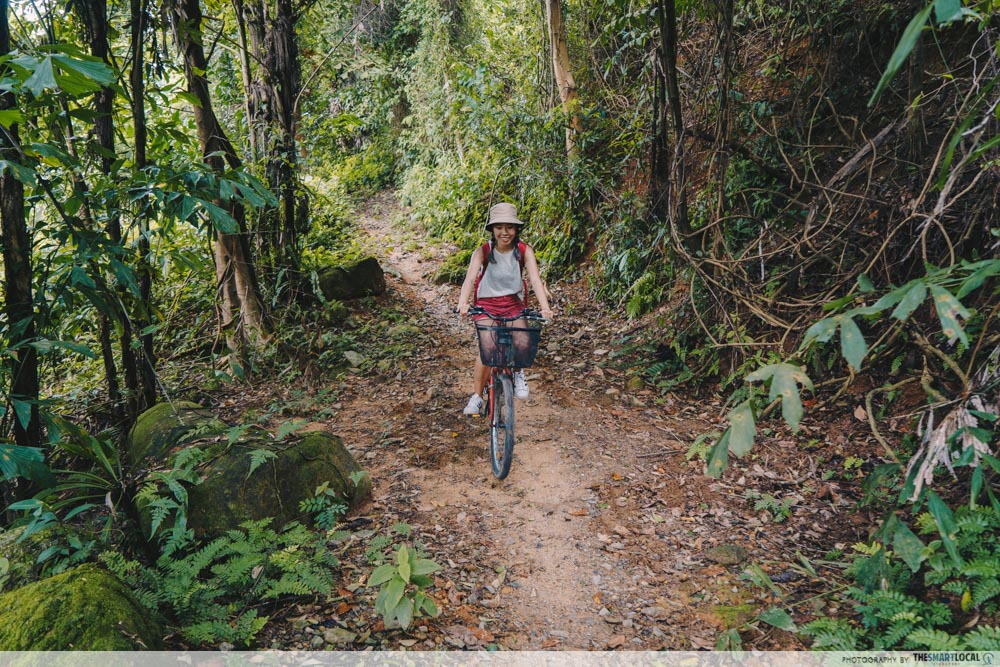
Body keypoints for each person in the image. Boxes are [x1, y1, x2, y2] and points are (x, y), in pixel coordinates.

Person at [457, 202, 554, 415]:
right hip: (487, 304)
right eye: (499, 227)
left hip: (513, 303)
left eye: (509, 227)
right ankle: (477, 395)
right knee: (488, 348)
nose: (504, 232)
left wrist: (545, 308)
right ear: (492, 229)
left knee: (522, 340)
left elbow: (535, 280)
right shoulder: (482, 251)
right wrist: (463, 303)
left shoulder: (523, 250)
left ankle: (518, 374)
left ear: (516, 229)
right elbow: (470, 278)